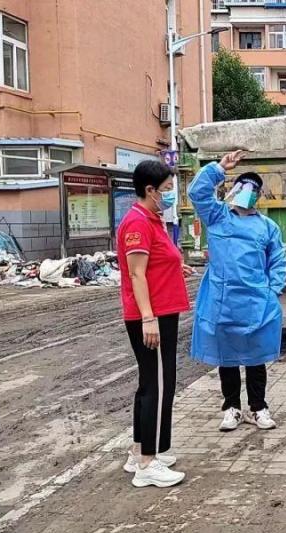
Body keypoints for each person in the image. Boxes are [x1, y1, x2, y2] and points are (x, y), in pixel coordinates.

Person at [188, 150, 286, 432]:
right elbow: (197, 192)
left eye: (253, 189)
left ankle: (258, 408)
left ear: (259, 195)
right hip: (222, 300)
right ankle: (231, 408)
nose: (247, 192)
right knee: (226, 357)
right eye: (243, 186)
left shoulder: (267, 227)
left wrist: (273, 291)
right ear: (233, 189)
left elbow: (278, 260)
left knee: (256, 357)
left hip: (255, 300)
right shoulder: (217, 215)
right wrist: (219, 168)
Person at [117, 159, 192, 488]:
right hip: (153, 315)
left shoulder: (152, 219)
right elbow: (136, 274)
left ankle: (139, 451)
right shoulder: (138, 222)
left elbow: (154, 263)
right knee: (158, 385)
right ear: (150, 190)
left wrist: (176, 267)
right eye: (167, 189)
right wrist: (148, 317)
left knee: (150, 382)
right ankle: (148, 464)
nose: (171, 194)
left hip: (160, 311)